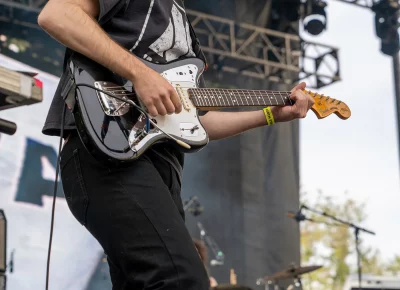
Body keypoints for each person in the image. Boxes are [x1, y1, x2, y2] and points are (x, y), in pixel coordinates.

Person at [38, 0, 315, 289]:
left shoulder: (185, 30)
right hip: (107, 151)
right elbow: (57, 14)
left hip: (160, 167)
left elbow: (197, 122)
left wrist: (270, 114)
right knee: (180, 280)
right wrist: (140, 73)